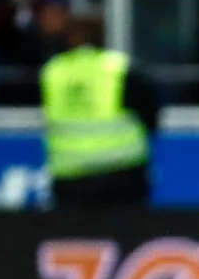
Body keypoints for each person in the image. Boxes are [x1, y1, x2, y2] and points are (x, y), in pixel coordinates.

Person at [40, 12, 159, 207]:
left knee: (76, 236)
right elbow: (151, 117)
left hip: (69, 176)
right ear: (103, 36)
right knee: (124, 235)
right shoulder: (120, 69)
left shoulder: (53, 72)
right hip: (121, 173)